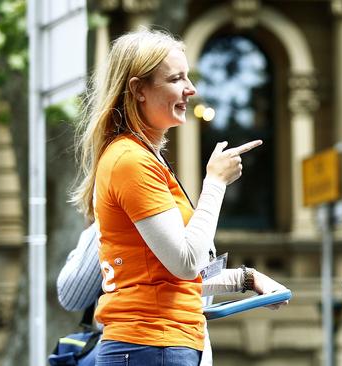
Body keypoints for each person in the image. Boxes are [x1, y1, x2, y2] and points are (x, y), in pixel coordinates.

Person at [70, 29, 285, 366]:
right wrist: (215, 183)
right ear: (138, 90)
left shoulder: (140, 157)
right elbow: (185, 263)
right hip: (151, 347)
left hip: (156, 346)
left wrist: (248, 279)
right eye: (176, 78)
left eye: (189, 76)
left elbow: (167, 278)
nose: (191, 89)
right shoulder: (131, 160)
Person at [56, 223, 286, 366]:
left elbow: (70, 295)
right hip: (182, 348)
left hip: (151, 346)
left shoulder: (117, 219)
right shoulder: (188, 217)